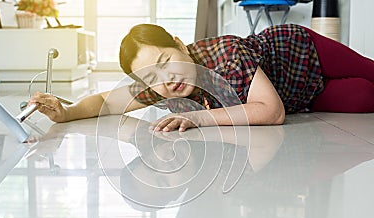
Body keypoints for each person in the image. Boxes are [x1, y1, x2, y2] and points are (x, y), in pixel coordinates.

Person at [29, 23, 374, 132]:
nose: (166, 78)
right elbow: (107, 101)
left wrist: (196, 118)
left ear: (180, 45)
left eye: (166, 60)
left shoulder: (224, 53)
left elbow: (271, 112)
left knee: (369, 71)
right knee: (364, 100)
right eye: (151, 76)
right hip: (301, 96)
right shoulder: (161, 85)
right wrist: (67, 111)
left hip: (298, 52)